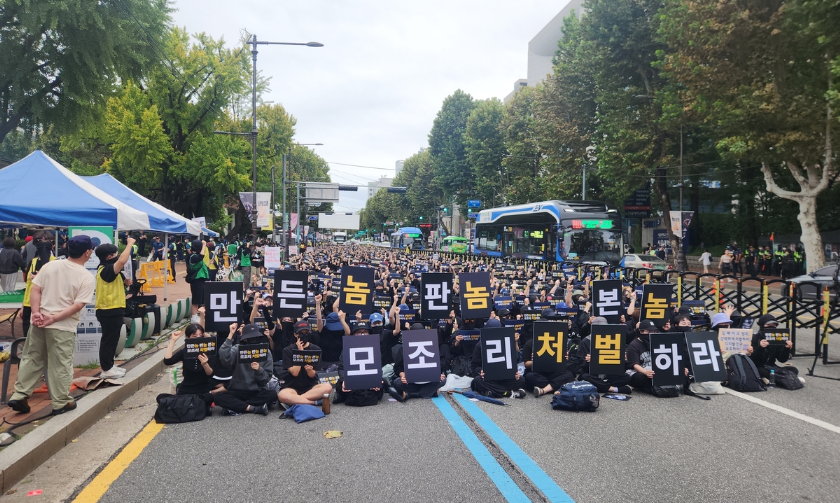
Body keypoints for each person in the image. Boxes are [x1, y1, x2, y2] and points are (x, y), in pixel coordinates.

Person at [7, 235, 96, 415]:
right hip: (62, 326)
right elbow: (78, 305)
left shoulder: (50, 265)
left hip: (39, 322)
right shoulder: (86, 276)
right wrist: (53, 318)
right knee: (60, 363)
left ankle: (20, 394)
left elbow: (35, 288)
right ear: (87, 252)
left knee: (31, 357)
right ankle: (61, 402)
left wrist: (36, 312)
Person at [93, 238, 134, 379]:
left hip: (114, 309)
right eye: (115, 254)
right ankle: (106, 369)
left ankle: (110, 365)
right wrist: (129, 244)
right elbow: (122, 261)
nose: (118, 257)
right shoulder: (105, 269)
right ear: (110, 256)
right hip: (108, 310)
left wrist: (125, 282)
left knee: (113, 340)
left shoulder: (110, 270)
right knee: (108, 341)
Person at [214, 323, 275, 416]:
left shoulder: (265, 351)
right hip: (237, 390)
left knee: (272, 394)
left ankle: (236, 407)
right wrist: (230, 335)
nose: (253, 339)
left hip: (257, 390)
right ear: (245, 338)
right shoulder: (238, 348)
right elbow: (224, 356)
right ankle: (253, 408)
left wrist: (259, 370)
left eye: (255, 337)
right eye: (250, 337)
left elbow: (266, 379)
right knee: (218, 397)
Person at [163, 324, 217, 413]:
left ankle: (192, 405)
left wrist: (205, 364)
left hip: (202, 390)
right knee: (161, 397)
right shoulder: (185, 351)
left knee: (210, 397)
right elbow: (168, 361)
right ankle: (196, 406)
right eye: (194, 336)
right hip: (186, 389)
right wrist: (173, 341)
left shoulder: (209, 351)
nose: (198, 338)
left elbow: (210, 373)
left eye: (200, 335)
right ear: (188, 337)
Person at [277, 320, 333, 407]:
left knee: (328, 387)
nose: (304, 335)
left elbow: (312, 375)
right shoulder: (287, 350)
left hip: (310, 386)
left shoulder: (315, 349)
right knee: (282, 395)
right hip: (292, 386)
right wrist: (300, 353)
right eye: (301, 333)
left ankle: (296, 401)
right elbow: (295, 373)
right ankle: (313, 402)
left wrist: (309, 370)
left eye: (306, 332)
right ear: (295, 334)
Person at [469, 318, 527, 398]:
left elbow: (514, 360)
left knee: (521, 380)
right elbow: (474, 366)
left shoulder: (507, 341)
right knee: (477, 380)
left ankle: (494, 392)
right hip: (488, 378)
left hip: (504, 377)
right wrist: (481, 371)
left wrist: (515, 372)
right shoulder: (480, 345)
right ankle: (508, 393)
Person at [392, 323, 446, 400]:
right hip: (411, 382)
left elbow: (441, 362)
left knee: (443, 380)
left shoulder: (431, 344)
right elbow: (398, 367)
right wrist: (402, 376)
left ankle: (412, 394)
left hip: (429, 381)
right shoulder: (404, 347)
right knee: (397, 382)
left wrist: (438, 374)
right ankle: (430, 392)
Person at [20, 233, 56, 337]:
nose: (43, 245)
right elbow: (28, 286)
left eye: (47, 242)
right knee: (28, 336)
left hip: (47, 305)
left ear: (52, 245)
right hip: (29, 305)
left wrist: (40, 279)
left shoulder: (56, 262)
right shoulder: (32, 262)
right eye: (40, 241)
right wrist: (23, 306)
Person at [749, 314, 801, 383]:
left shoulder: (777, 339)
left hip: (771, 367)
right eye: (768, 325)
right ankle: (785, 379)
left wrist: (786, 348)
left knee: (794, 370)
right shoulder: (755, 338)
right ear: (762, 325)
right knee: (760, 371)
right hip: (757, 366)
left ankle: (772, 378)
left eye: (774, 325)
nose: (771, 327)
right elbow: (752, 358)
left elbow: (782, 360)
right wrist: (761, 348)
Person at [187, 240, 208, 317]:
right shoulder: (193, 257)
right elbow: (201, 257)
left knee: (200, 300)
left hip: (201, 280)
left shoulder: (196, 256)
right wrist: (204, 245)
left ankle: (199, 315)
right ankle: (194, 317)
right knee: (196, 300)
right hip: (196, 280)